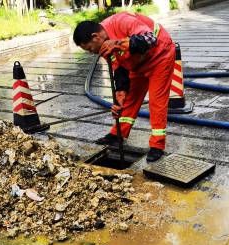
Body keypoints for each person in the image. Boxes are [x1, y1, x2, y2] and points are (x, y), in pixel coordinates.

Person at [73, 11, 175, 162]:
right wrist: (120, 96)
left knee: (156, 102)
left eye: (89, 49)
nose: (91, 53)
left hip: (160, 56)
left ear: (96, 37)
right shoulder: (103, 45)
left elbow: (150, 38)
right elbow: (119, 69)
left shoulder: (122, 21)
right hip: (136, 64)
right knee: (128, 101)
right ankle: (118, 134)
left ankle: (157, 145)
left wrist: (118, 43)